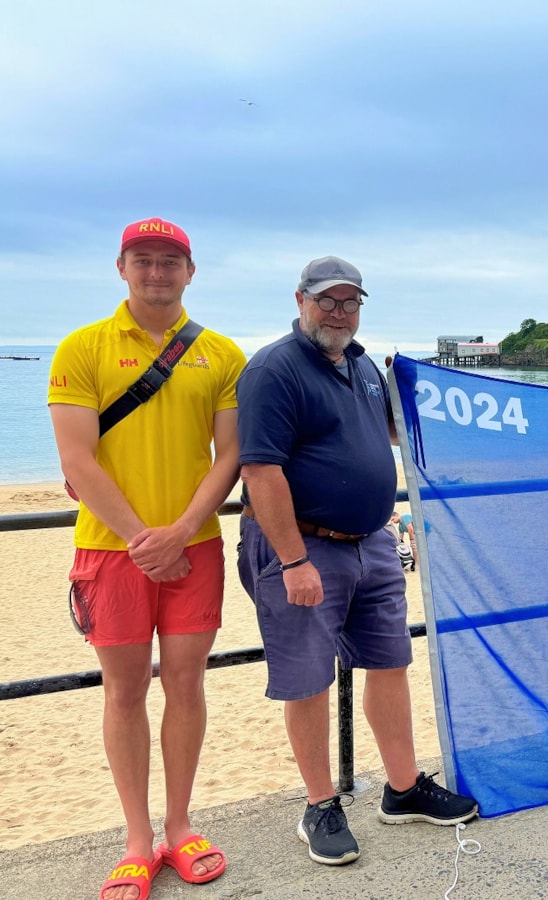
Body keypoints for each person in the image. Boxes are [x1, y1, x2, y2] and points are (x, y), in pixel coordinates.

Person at [236, 256, 478, 867]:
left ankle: (402, 789)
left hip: (372, 541)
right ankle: (320, 804)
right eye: (327, 301)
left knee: (391, 662)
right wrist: (293, 561)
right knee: (309, 679)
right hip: (304, 546)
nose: (339, 313)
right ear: (300, 301)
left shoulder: (363, 364)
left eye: (350, 302)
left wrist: (417, 391)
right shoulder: (273, 369)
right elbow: (259, 470)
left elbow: (388, 433)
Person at [48, 217, 243, 899]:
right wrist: (142, 537)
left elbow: (231, 457)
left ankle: (181, 826)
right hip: (110, 550)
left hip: (195, 549)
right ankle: (137, 840)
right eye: (144, 260)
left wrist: (184, 527)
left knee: (187, 685)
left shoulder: (220, 354)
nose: (156, 273)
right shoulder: (81, 347)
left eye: (170, 262)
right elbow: (76, 457)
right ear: (122, 267)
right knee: (125, 692)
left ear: (191, 272)